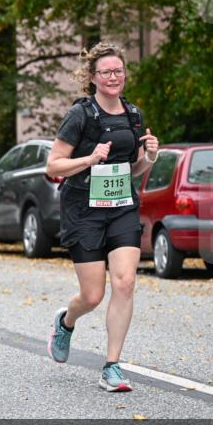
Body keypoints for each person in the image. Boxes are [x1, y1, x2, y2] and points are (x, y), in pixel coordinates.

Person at [46, 42, 159, 392]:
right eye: (106, 72)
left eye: (119, 71)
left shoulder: (133, 114)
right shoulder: (80, 115)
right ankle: (66, 321)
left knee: (125, 282)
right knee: (92, 296)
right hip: (84, 210)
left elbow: (133, 167)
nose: (114, 77)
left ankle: (112, 366)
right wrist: (89, 159)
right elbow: (53, 165)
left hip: (122, 206)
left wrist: (151, 158)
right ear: (93, 77)